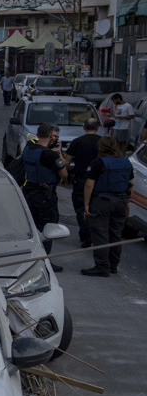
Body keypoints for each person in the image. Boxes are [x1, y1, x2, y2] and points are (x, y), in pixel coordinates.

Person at [81, 136, 133, 277]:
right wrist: (127, 201)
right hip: (121, 200)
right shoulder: (126, 162)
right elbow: (131, 183)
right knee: (115, 234)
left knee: (100, 234)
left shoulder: (98, 163)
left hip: (102, 201)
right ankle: (113, 266)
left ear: (100, 147)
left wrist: (86, 204)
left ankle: (101, 266)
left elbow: (89, 185)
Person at [21, 123, 68, 271]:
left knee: (32, 226)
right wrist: (59, 152)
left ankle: (31, 257)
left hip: (29, 191)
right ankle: (44, 260)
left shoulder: (29, 147)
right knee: (48, 227)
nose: (56, 139)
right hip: (45, 196)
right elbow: (64, 173)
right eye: (55, 136)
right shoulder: (49, 154)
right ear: (49, 136)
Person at [65, 117, 103, 248]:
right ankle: (94, 234)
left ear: (83, 127)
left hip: (81, 179)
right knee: (96, 207)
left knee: (81, 208)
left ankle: (85, 234)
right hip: (99, 181)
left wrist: (64, 176)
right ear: (98, 128)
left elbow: (67, 162)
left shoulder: (77, 142)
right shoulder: (102, 142)